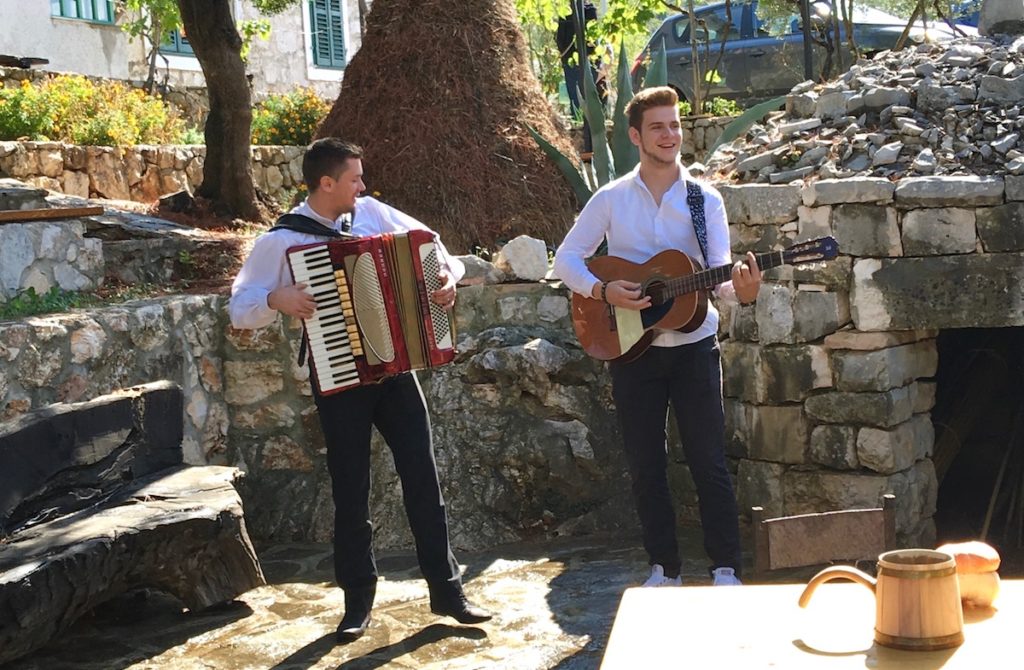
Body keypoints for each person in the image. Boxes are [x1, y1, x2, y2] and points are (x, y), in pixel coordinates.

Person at [229, 138, 492, 643]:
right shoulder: (281, 241)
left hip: (395, 370)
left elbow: (432, 243)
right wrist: (275, 297)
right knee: (351, 491)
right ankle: (357, 603)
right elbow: (239, 307)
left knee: (423, 476)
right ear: (326, 184)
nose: (363, 186)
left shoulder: (370, 213)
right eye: (354, 178)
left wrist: (448, 277)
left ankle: (449, 590)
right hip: (338, 378)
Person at [552, 87, 761, 588]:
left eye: (674, 125)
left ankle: (725, 568)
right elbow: (565, 260)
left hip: (694, 349)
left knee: (709, 461)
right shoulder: (611, 198)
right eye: (658, 127)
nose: (670, 135)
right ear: (635, 136)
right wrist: (604, 290)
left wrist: (744, 293)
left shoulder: (703, 200)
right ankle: (663, 569)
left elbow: (720, 281)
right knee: (646, 466)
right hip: (631, 348)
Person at [555, 0, 608, 155]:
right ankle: (582, 122)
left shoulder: (568, 12)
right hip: (584, 60)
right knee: (586, 94)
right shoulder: (588, 10)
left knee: (578, 94)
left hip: (575, 60)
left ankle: (579, 120)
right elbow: (594, 38)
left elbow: (560, 39)